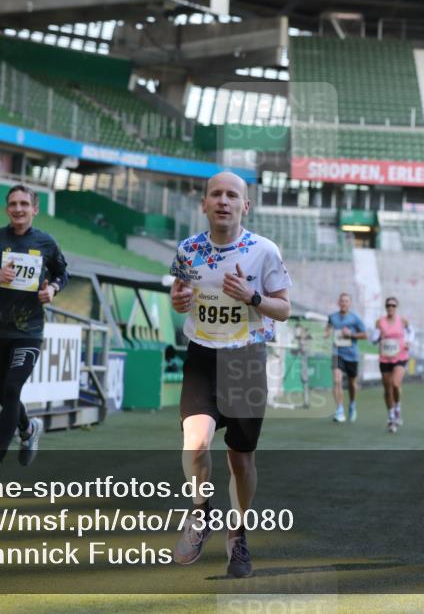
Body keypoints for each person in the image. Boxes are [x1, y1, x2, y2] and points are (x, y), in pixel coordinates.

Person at [168, 171, 291, 578]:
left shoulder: (264, 251)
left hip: (245, 361)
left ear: (245, 205)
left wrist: (252, 297)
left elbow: (284, 308)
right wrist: (179, 299)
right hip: (202, 356)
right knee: (196, 442)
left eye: (232, 195)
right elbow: (180, 298)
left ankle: (237, 535)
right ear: (204, 204)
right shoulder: (187, 250)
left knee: (241, 459)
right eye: (215, 194)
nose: (223, 201)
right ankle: (201, 513)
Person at [0, 184, 68, 482]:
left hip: (29, 330)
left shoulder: (46, 243)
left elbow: (63, 273)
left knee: (12, 388)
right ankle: (28, 428)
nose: (18, 209)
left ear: (35, 209)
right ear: (7, 208)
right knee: (6, 396)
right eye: (13, 203)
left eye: (24, 203)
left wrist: (52, 289)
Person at [325, 293, 367, 422]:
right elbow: (327, 330)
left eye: (346, 301)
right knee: (337, 380)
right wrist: (327, 333)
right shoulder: (332, 317)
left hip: (352, 355)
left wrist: (351, 334)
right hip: (337, 353)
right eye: (342, 301)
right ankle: (339, 410)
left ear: (350, 303)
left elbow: (365, 335)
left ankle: (352, 404)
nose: (344, 303)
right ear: (339, 303)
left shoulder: (355, 318)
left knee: (352, 384)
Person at [374, 297, 413, 433]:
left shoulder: (402, 321)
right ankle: (391, 417)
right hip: (385, 358)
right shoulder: (380, 322)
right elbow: (374, 339)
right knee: (387, 389)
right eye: (388, 305)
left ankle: (397, 407)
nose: (391, 307)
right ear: (386, 307)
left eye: (393, 305)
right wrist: (378, 336)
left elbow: (411, 332)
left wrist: (409, 342)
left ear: (396, 307)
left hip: (400, 356)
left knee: (396, 384)